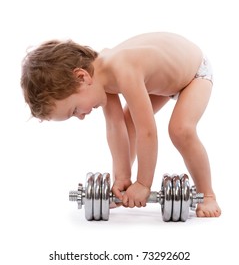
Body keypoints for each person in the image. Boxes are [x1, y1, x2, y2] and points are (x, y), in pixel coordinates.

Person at [21, 32, 221, 217]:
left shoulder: (124, 69)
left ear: (82, 77)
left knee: (180, 130)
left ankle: (208, 195)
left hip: (194, 74)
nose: (81, 117)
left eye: (74, 110)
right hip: (164, 82)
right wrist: (122, 178)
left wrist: (144, 183)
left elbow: (147, 131)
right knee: (128, 122)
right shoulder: (100, 77)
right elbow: (115, 127)